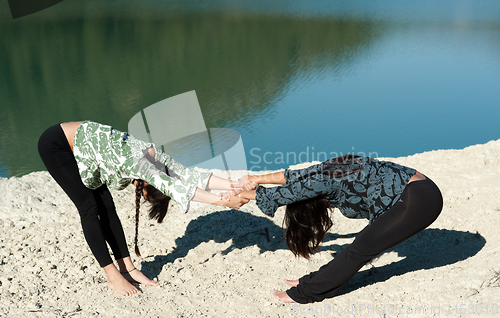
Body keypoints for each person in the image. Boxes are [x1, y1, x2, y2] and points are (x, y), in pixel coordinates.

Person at [38, 120, 248, 296]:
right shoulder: (140, 164)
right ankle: (112, 276)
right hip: (57, 145)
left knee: (108, 207)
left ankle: (127, 269)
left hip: (86, 150)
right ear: (149, 183)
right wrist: (221, 201)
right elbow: (177, 188)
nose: (141, 195)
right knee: (89, 207)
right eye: (147, 195)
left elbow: (190, 176)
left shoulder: (154, 155)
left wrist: (234, 185)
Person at [236, 154, 443, 304]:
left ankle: (303, 293)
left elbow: (279, 196)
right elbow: (296, 176)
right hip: (424, 188)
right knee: (361, 246)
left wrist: (243, 196)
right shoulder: (327, 169)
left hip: (416, 202)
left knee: (357, 251)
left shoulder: (321, 183)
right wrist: (256, 179)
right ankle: (313, 281)